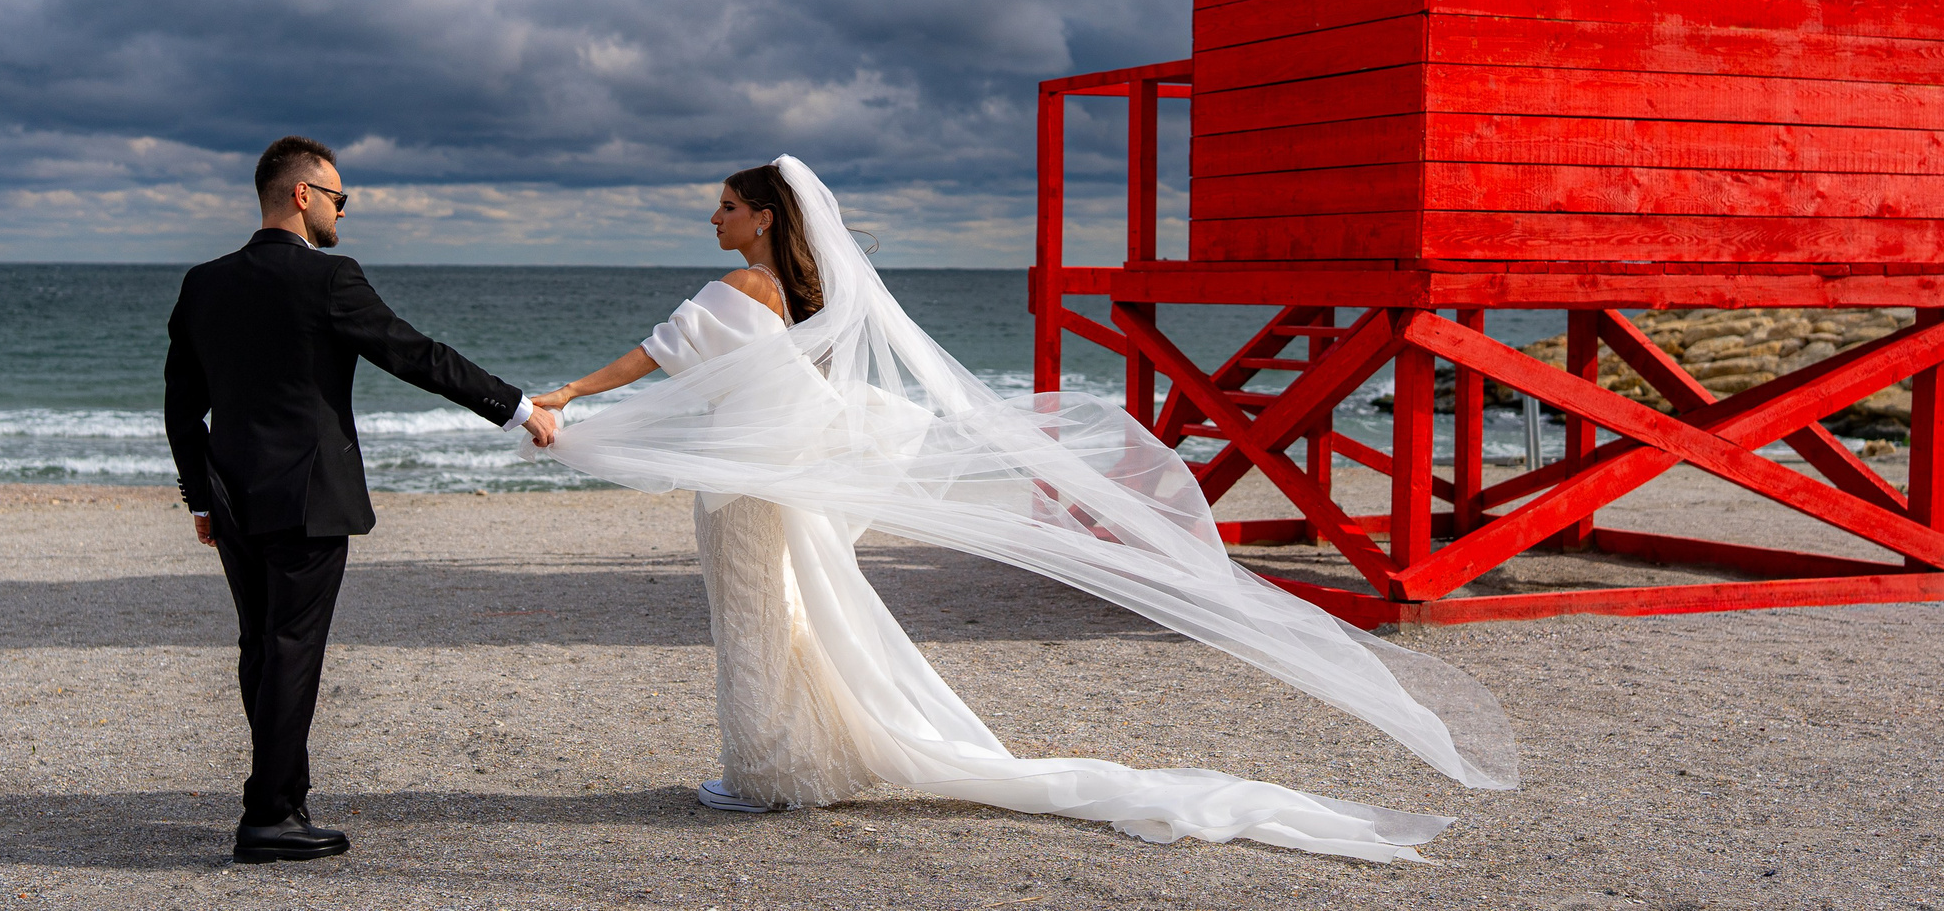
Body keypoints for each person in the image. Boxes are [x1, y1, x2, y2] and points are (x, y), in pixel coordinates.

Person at [530, 157, 1516, 862]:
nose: (713, 217)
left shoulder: (738, 285)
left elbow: (656, 356)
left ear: (758, 218)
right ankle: (802, 762)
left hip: (747, 494)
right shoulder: (804, 296)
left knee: (755, 623)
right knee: (788, 624)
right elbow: (804, 400)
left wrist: (568, 397)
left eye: (725, 205)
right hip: (777, 480)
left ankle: (765, 775)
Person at [165, 135, 558, 864]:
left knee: (262, 645)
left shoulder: (203, 283)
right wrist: (517, 407)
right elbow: (417, 355)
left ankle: (284, 795)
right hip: (308, 498)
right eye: (339, 197)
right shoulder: (329, 279)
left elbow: (180, 406)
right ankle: (270, 815)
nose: (345, 211)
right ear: (302, 196)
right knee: (289, 648)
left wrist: (200, 498)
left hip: (232, 495)